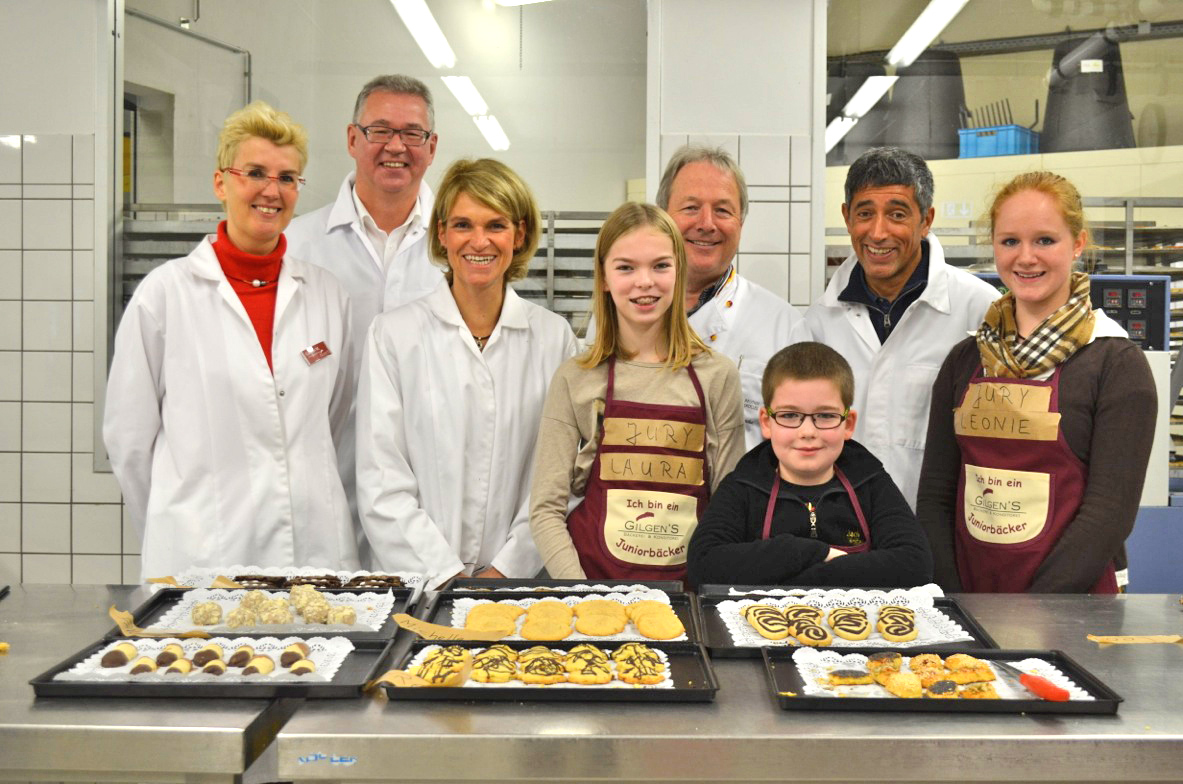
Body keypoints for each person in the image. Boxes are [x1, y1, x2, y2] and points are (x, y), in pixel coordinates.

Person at [104, 101, 357, 580]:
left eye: (287, 178)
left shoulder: (326, 294)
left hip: (313, 552)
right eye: (255, 172)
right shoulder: (165, 294)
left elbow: (332, 417)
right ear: (221, 182)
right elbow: (129, 441)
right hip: (203, 556)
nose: (271, 190)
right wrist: (179, 526)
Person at [916, 171, 1156, 594]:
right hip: (971, 592)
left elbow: (1110, 511)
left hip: (1073, 603)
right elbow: (936, 493)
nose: (1025, 257)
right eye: (1010, 241)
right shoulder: (966, 360)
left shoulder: (1115, 364)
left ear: (1078, 243)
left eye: (1045, 240)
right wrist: (957, 597)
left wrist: (1037, 607)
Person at [357, 159, 577, 590]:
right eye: (462, 224)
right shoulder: (394, 335)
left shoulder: (554, 339)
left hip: (522, 582)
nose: (479, 241)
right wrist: (445, 576)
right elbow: (380, 477)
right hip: (421, 583)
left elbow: (564, 477)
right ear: (441, 234)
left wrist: (506, 571)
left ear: (521, 234)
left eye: (496, 225)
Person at [530, 202, 746, 581]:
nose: (644, 281)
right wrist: (582, 595)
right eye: (626, 267)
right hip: (593, 586)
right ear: (603, 277)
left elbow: (732, 510)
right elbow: (546, 509)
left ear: (679, 271)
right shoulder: (575, 378)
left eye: (660, 265)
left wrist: (702, 591)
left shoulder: (717, 376)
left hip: (687, 594)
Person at [285, 75, 441, 562]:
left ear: (432, 147)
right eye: (379, 130)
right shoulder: (298, 246)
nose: (396, 146)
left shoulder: (461, 247)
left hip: (433, 500)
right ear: (353, 139)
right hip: (327, 493)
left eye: (412, 133)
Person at [806, 146, 998, 510]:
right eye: (865, 213)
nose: (878, 233)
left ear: (926, 220)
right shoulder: (819, 323)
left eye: (897, 214)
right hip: (846, 527)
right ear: (847, 217)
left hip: (941, 534)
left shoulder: (978, 309)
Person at [588, 146, 811, 449]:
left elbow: (804, 444)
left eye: (722, 210)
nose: (706, 223)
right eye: (691, 208)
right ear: (663, 218)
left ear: (740, 224)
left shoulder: (784, 327)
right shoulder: (617, 313)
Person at [687, 343, 932, 589]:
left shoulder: (871, 482)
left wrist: (786, 578)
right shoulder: (742, 486)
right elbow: (704, 565)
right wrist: (816, 553)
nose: (807, 432)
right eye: (789, 415)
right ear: (766, 423)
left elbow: (915, 566)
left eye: (825, 416)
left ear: (848, 424)